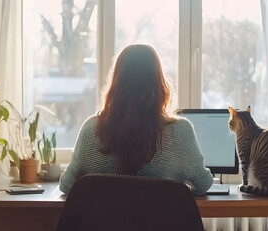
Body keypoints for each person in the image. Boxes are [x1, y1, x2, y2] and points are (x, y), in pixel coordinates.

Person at [59, 44, 213, 195]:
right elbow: (203, 184)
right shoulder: (180, 131)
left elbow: (66, 185)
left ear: (116, 84)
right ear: (158, 83)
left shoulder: (91, 129)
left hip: (106, 221)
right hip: (160, 221)